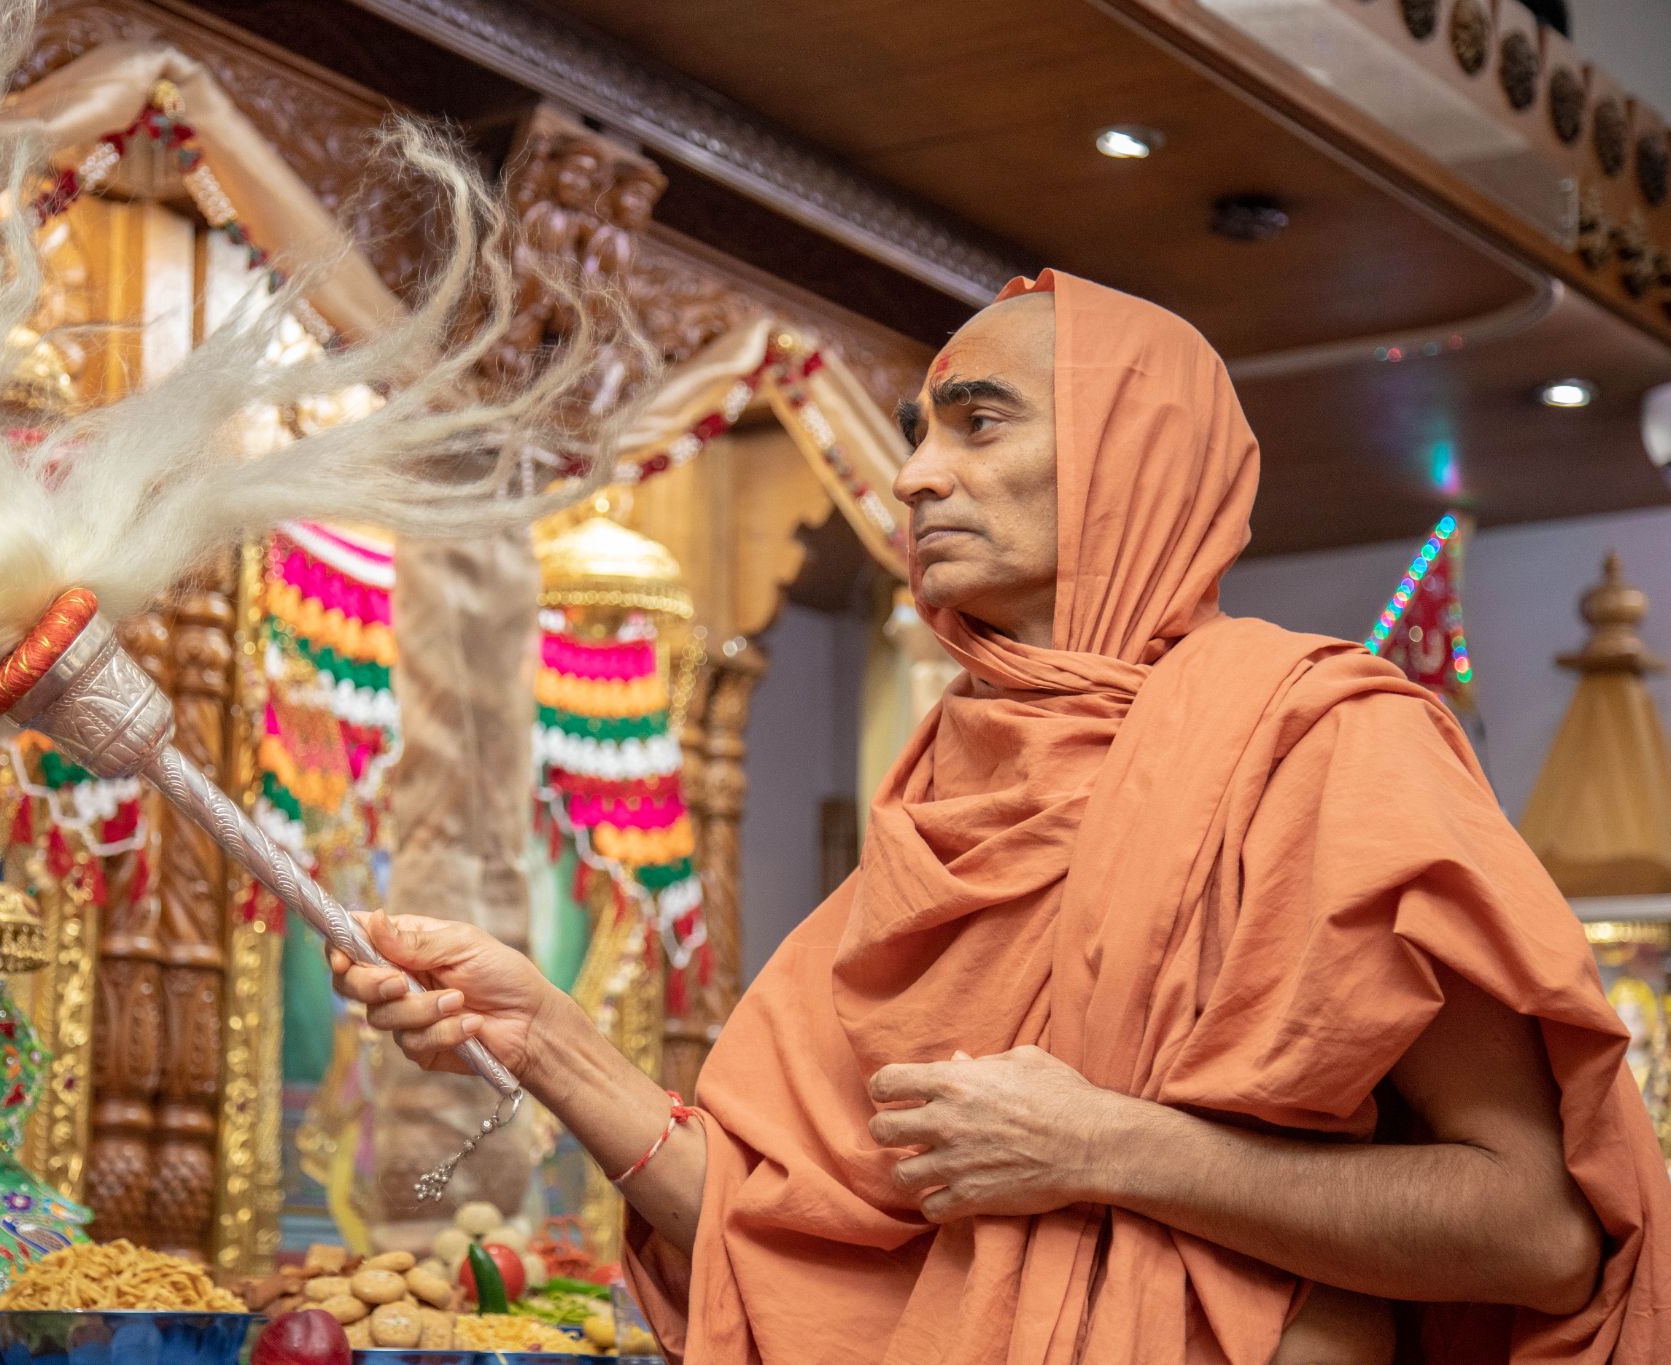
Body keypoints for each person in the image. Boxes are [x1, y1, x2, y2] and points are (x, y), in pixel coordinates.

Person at [327, 271, 1669, 1363]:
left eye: (979, 422)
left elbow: (1539, 1228)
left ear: (1135, 458)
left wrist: (1109, 1147)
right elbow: (786, 1246)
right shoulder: (942, 786)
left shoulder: (1322, 744)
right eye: (919, 430)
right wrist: (545, 1036)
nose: (915, 475)